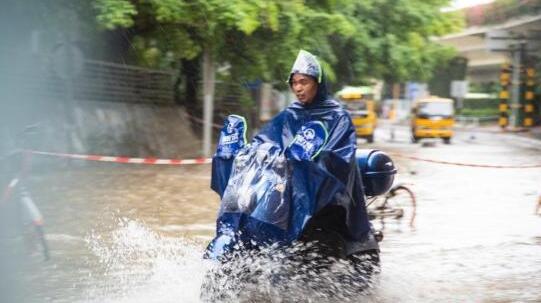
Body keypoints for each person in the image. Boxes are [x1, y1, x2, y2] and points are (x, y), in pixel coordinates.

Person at [205, 50, 381, 296]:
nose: (298, 88)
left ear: (318, 83)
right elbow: (263, 143)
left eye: (304, 82)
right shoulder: (290, 115)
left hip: (330, 199)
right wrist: (242, 154)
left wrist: (308, 158)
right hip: (285, 192)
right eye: (295, 83)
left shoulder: (337, 115)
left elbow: (336, 158)